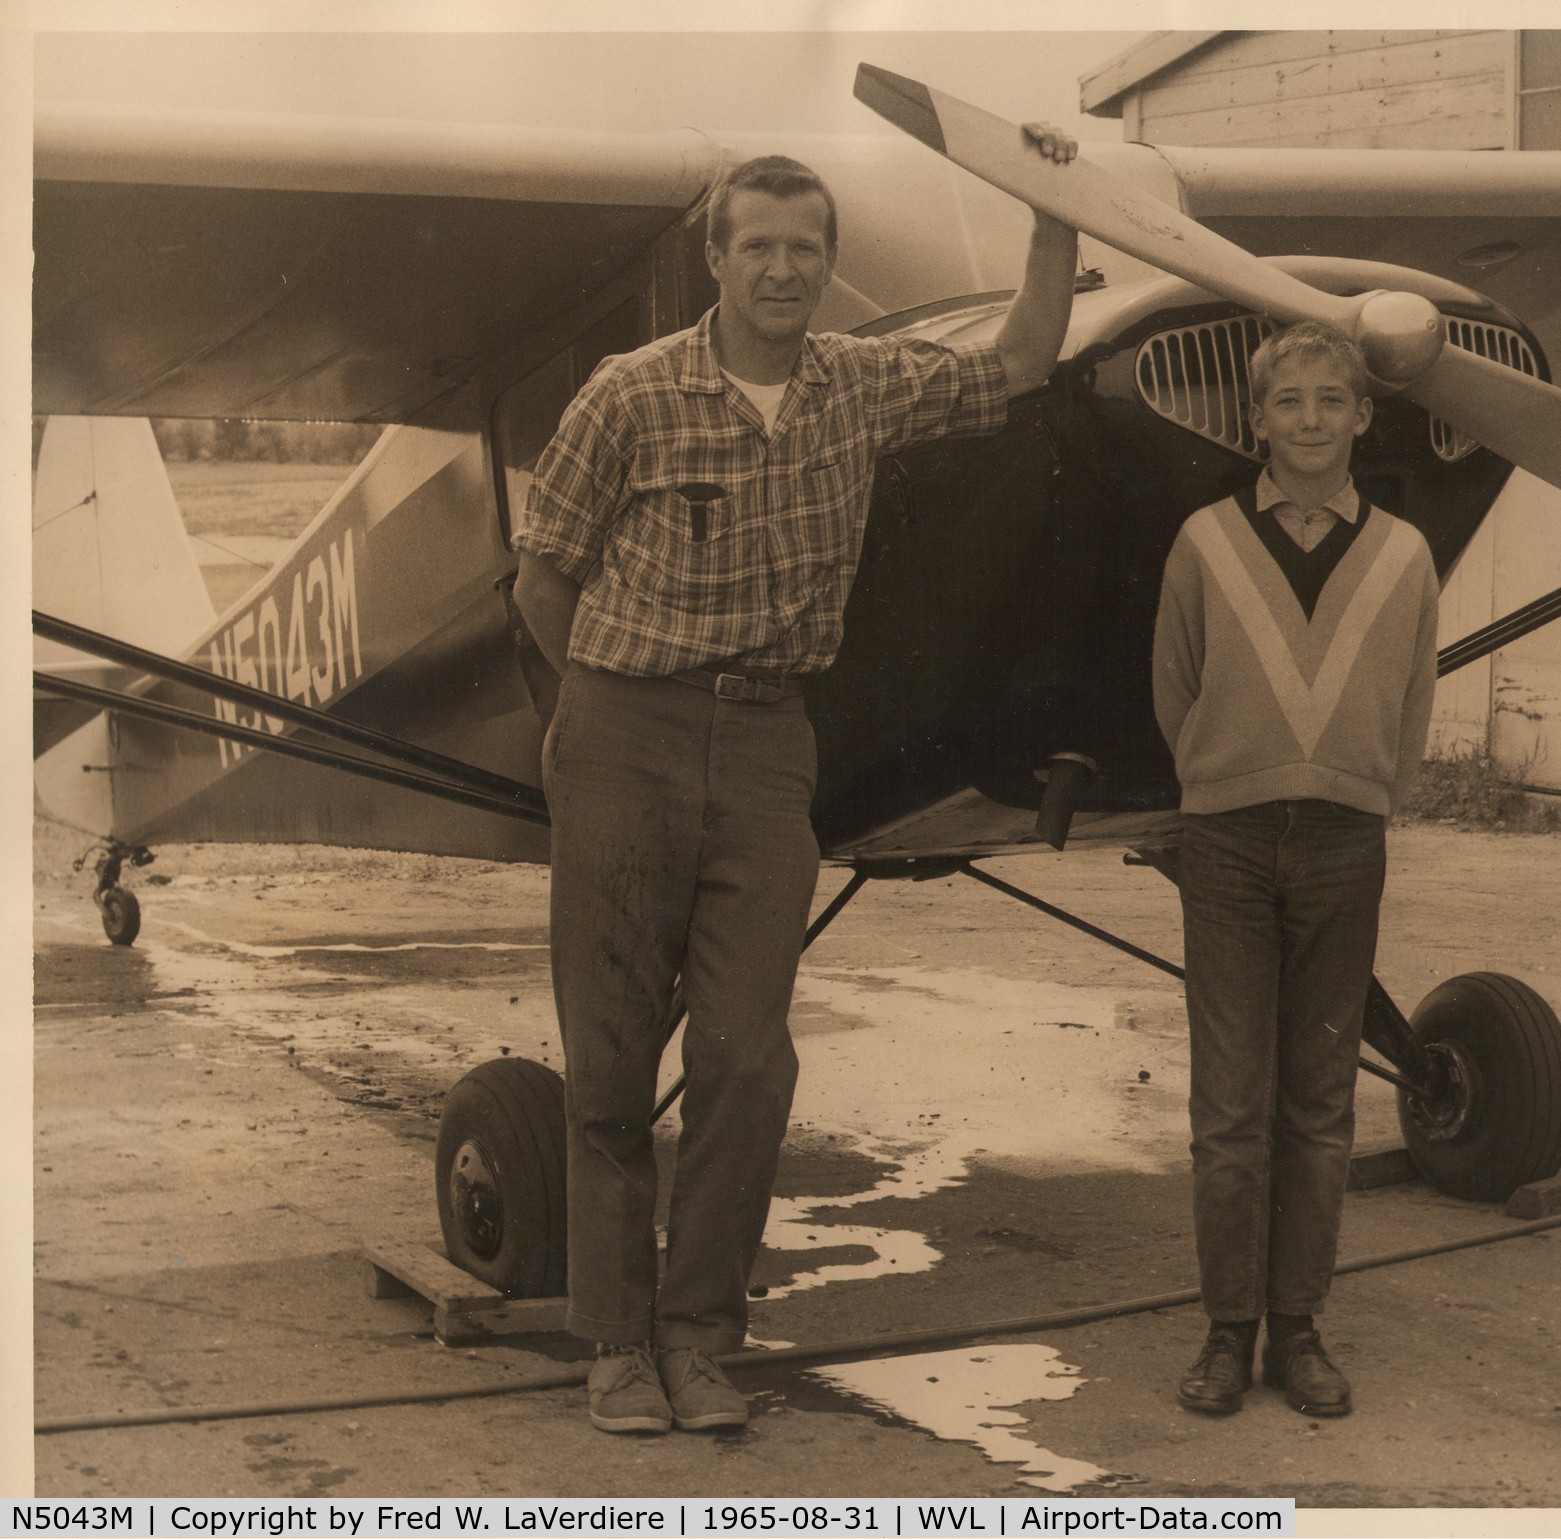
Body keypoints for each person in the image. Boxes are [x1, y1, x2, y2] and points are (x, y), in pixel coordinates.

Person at [512, 133, 1080, 1435]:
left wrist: (1051, 220)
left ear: (828, 266)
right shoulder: (629, 392)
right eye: (755, 245)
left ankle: (701, 1334)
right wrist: (589, 722)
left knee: (747, 1056)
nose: (780, 269)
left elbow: (1020, 360)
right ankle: (613, 1342)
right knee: (607, 1060)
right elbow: (543, 572)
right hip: (622, 729)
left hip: (769, 745)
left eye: (804, 249)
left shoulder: (859, 386)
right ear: (713, 257)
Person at [1151, 320, 1438, 1418]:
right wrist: (1229, 779)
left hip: (1340, 848)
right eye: (1288, 403)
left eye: (1332, 401)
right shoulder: (1203, 542)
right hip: (1224, 844)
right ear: (1253, 421)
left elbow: (1410, 704)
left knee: (1318, 1103)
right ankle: (1226, 1333)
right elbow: (1174, 687)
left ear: (1363, 417)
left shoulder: (1402, 555)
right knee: (1229, 1103)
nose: (1310, 420)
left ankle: (1299, 1331)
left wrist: (1359, 798)